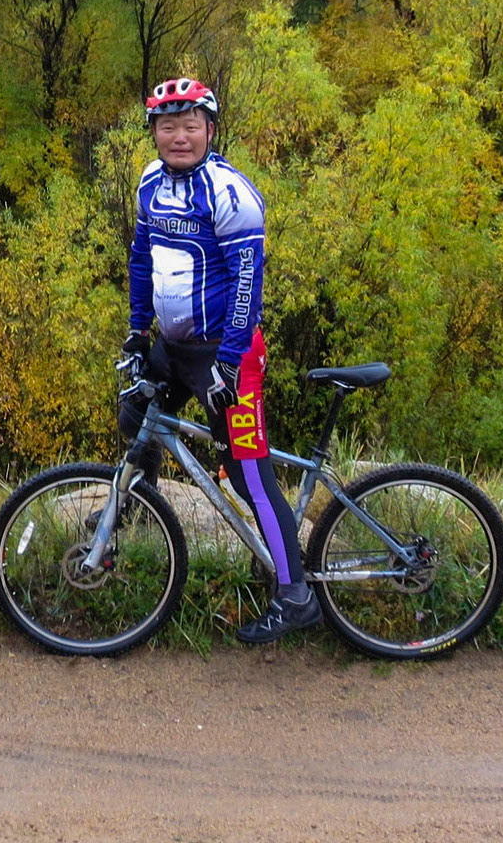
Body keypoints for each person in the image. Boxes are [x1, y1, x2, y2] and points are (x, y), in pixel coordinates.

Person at [120, 76, 320, 643]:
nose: (178, 137)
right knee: (135, 415)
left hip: (225, 354)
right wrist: (137, 333)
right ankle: (140, 506)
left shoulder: (228, 192)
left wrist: (229, 365)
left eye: (190, 126)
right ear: (154, 133)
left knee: (249, 473)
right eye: (167, 126)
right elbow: (141, 260)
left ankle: (296, 594)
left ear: (210, 129)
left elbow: (246, 286)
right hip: (173, 347)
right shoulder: (149, 182)